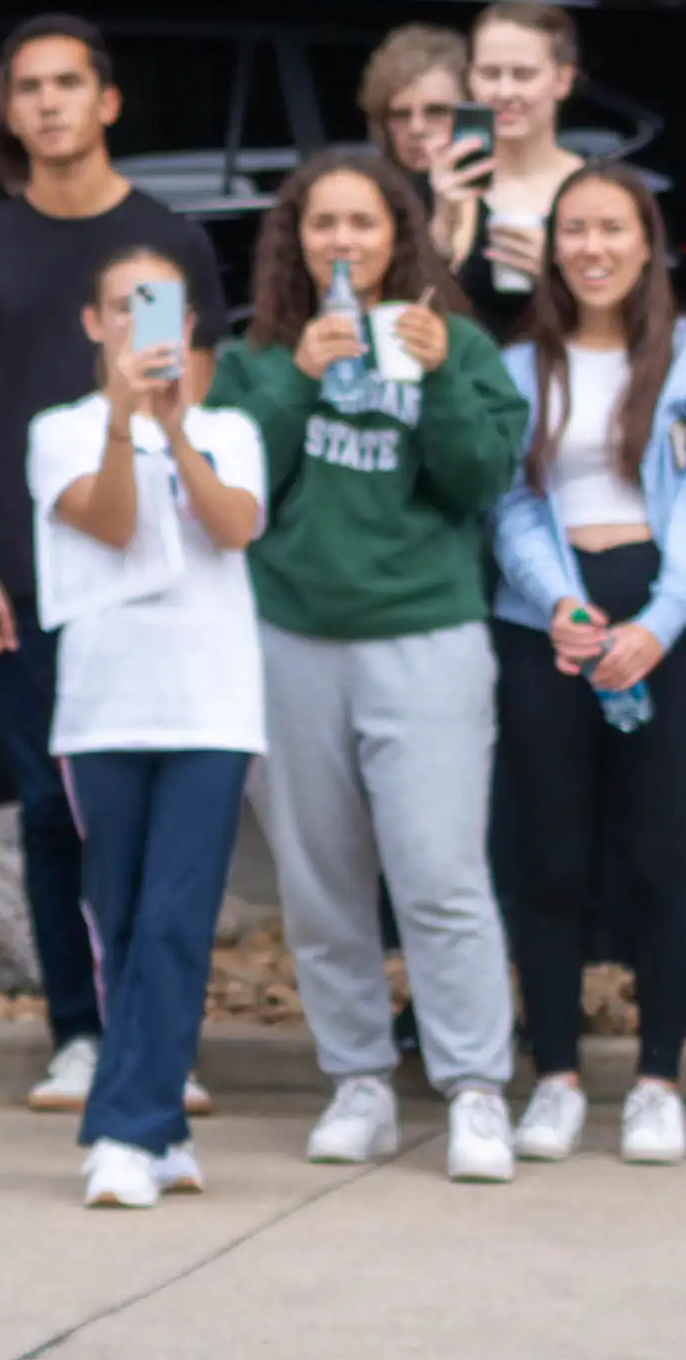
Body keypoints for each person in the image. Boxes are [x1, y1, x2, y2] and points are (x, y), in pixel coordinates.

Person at [226, 148, 527, 1175]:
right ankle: (357, 1079)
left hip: (426, 638)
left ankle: (475, 1088)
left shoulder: (460, 343)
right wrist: (298, 384)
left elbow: (479, 480)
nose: (343, 241)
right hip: (293, 638)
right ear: (295, 239)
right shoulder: (259, 354)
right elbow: (238, 491)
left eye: (363, 222)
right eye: (323, 224)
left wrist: (440, 373)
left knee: (440, 873)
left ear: (401, 233)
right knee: (321, 884)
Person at [481, 160, 686, 1171]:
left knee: (656, 856)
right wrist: (557, 600)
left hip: (666, 627)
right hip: (547, 623)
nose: (593, 247)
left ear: (648, 242)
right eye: (575, 230)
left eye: (614, 228)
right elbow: (508, 501)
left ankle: (657, 1080)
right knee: (546, 855)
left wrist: (662, 619)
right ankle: (554, 1075)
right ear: (553, 249)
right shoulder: (520, 368)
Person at [0, 18, 145, 1120]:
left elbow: (178, 404)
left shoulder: (160, 245)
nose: (51, 104)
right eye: (31, 88)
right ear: (6, 109)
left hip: (143, 579)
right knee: (53, 815)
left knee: (143, 816)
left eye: (71, 84)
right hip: (25, 583)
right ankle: (76, 1030)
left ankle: (154, 1034)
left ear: (108, 101)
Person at [32, 229, 271, 1208]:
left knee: (178, 913)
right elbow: (113, 520)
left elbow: (234, 525)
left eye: (160, 306)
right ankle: (158, 1122)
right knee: (122, 916)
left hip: (211, 699)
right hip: (106, 704)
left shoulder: (233, 430)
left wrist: (175, 427)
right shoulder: (59, 430)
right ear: (95, 322)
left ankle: (124, 1132)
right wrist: (125, 422)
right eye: (124, 305)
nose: (140, 323)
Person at [430, 0, 582, 331]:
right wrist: (444, 220)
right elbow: (404, 311)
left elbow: (634, 318)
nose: (504, 91)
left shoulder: (593, 190)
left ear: (563, 80)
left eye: (524, 75)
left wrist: (563, 275)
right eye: (489, 73)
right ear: (470, 78)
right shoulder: (442, 182)